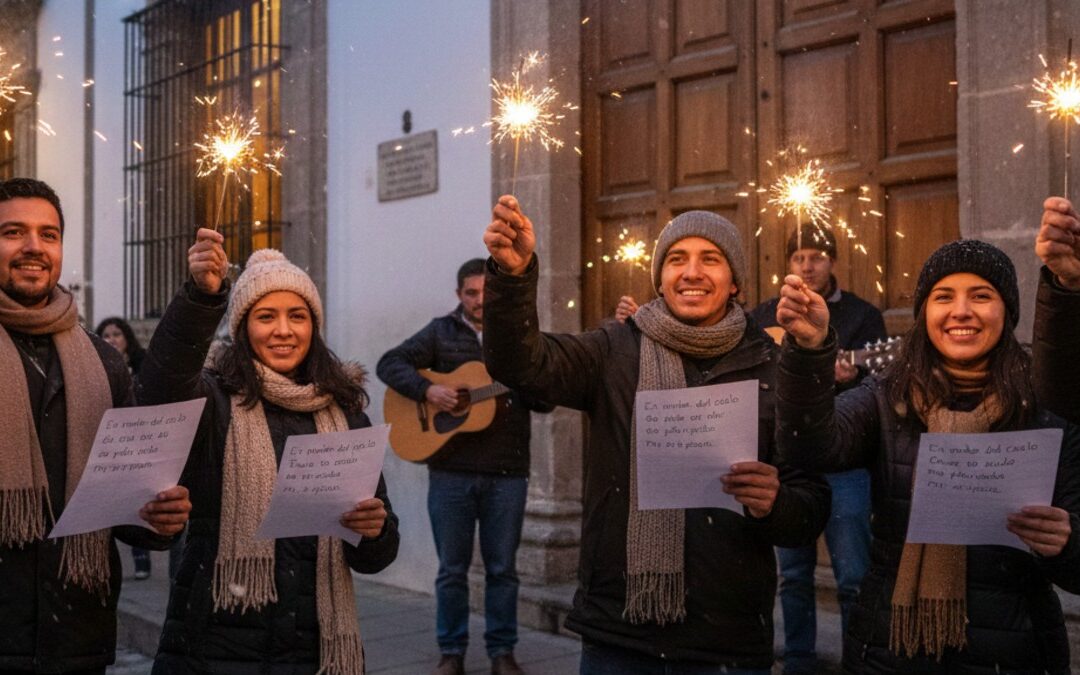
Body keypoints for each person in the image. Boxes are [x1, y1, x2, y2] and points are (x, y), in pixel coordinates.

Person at [482, 197, 831, 674]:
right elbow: (521, 365)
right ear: (660, 279)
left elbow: (809, 508)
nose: (691, 272)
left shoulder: (772, 365)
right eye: (676, 259)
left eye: (710, 259)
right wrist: (512, 278)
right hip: (620, 628)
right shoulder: (613, 350)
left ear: (735, 282)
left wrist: (775, 502)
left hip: (726, 636)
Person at [774, 237, 1080, 671]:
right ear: (924, 313)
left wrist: (1068, 543)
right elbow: (808, 445)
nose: (961, 311)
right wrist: (809, 351)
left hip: (1014, 652)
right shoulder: (887, 395)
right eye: (943, 297)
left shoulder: (1046, 404)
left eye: (981, 296)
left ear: (1007, 311)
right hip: (891, 650)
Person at [139, 230, 399, 674]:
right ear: (243, 328)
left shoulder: (344, 410)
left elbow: (376, 554)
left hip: (312, 647)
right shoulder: (212, 401)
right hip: (214, 645)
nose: (283, 330)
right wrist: (200, 299)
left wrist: (374, 531)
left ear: (313, 327)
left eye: (297, 316)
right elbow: (159, 388)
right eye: (265, 317)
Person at [0, 177, 190, 674]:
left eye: (48, 234)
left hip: (75, 637)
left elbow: (124, 505)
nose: (33, 247)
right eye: (13, 232)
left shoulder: (103, 362)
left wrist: (157, 516)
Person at [377, 257, 552, 675]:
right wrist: (428, 390)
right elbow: (389, 364)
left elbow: (545, 402)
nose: (480, 300)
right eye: (471, 293)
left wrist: (533, 379)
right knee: (452, 570)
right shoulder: (441, 332)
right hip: (450, 471)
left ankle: (502, 653)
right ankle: (451, 652)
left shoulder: (519, 336)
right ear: (459, 295)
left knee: (502, 570)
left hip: (507, 472)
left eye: (486, 292)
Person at [749, 224, 885, 674]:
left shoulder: (863, 317)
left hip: (845, 462)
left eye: (817, 257)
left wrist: (852, 375)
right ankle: (799, 661)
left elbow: (881, 390)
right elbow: (756, 376)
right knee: (792, 575)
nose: (807, 266)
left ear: (833, 261)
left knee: (852, 577)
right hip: (787, 462)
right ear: (788, 264)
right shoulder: (766, 314)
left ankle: (856, 663)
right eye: (799, 257)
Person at [96, 316, 154, 580]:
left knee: (138, 502)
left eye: (116, 334)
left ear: (127, 338)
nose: (112, 340)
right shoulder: (94, 365)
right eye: (106, 335)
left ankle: (141, 557)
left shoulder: (142, 365)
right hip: (108, 442)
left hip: (138, 440)